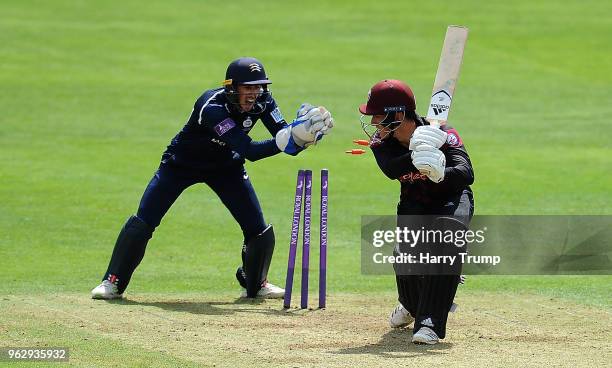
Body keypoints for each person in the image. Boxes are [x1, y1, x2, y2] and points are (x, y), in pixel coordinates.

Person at [91, 57, 333, 300]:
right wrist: (290, 138)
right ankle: (112, 282)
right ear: (231, 87)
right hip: (181, 164)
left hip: (226, 167)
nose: (253, 94)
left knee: (257, 229)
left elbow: (285, 140)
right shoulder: (211, 107)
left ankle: (256, 283)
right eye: (247, 87)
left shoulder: (265, 101)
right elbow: (251, 150)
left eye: (258, 87)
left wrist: (306, 138)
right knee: (144, 220)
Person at [358, 79, 474, 345]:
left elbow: (466, 174)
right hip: (415, 203)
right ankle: (411, 305)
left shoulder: (443, 132)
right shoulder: (382, 141)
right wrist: (418, 153)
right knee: (406, 258)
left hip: (450, 200)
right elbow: (390, 169)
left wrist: (439, 173)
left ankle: (429, 324)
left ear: (398, 115)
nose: (374, 123)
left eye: (378, 115)